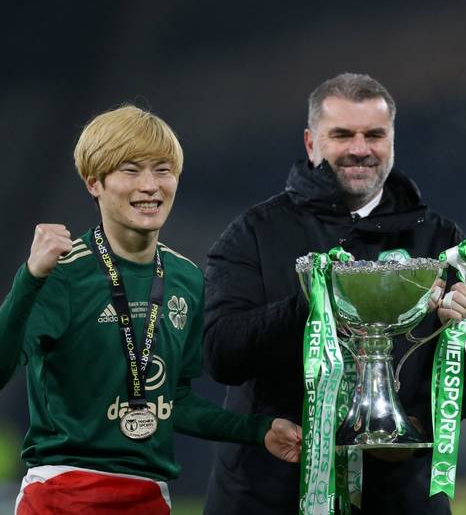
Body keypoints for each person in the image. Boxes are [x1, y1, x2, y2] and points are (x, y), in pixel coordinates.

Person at [202, 72, 465, 514]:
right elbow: (220, 354)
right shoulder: (254, 232)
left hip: (398, 496)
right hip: (271, 492)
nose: (359, 149)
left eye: (374, 135)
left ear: (392, 141)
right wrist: (313, 303)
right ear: (311, 143)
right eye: (341, 134)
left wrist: (460, 334)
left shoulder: (440, 240)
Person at [0, 105, 283, 514]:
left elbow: (174, 400)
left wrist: (259, 431)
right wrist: (29, 277)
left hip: (149, 496)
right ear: (94, 182)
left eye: (163, 170)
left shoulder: (185, 278)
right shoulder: (61, 273)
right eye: (131, 171)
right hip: (63, 492)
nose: (150, 186)